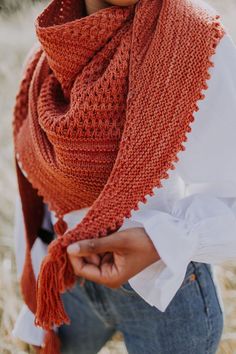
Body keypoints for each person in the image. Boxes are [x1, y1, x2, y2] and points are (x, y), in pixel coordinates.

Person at [11, 0, 236, 353]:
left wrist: (161, 241)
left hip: (163, 295)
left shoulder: (195, 40)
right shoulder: (47, 53)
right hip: (70, 284)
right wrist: (38, 292)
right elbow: (43, 190)